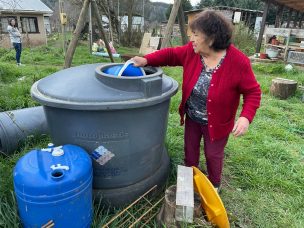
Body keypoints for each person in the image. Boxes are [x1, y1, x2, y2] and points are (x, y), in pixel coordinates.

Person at [132, 10, 261, 192]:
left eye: (196, 34)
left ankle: (214, 185)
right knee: (190, 151)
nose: (191, 38)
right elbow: (170, 54)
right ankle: (189, 181)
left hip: (218, 123)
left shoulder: (238, 61)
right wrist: (146, 60)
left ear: (211, 38)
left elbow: (253, 92)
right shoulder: (192, 52)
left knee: (213, 154)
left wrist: (245, 117)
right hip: (193, 116)